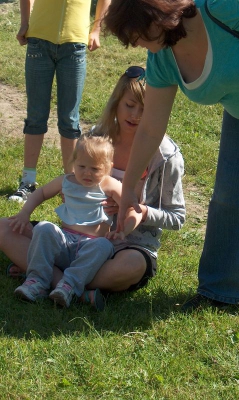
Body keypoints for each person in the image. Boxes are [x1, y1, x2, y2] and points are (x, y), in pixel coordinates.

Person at [102, 0, 239, 309]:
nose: (136, 43)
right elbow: (151, 129)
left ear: (158, 17)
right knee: (228, 196)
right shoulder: (162, 58)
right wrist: (128, 191)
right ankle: (220, 293)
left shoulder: (219, 8)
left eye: (137, 33)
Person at [0, 66, 186, 308]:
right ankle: (70, 285)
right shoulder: (97, 138)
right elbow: (70, 179)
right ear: (117, 101)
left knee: (132, 266)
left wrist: (140, 210)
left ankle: (45, 275)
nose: (136, 115)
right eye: (130, 105)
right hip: (74, 237)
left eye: (146, 109)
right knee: (5, 228)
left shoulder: (166, 156)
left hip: (124, 245)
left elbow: (177, 217)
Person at [10, 134, 141, 308]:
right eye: (81, 166)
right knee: (44, 228)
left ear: (108, 168)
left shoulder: (109, 184)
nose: (87, 173)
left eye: (95, 169)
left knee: (104, 245)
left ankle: (68, 286)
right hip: (64, 241)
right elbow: (41, 193)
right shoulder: (67, 180)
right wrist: (24, 213)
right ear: (73, 162)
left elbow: (133, 208)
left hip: (91, 247)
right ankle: (36, 281)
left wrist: (124, 230)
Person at [9, 0, 111, 203]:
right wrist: (24, 22)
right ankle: (27, 182)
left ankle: (70, 183)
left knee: (70, 118)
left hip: (74, 44)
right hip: (39, 40)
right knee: (36, 115)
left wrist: (96, 29)